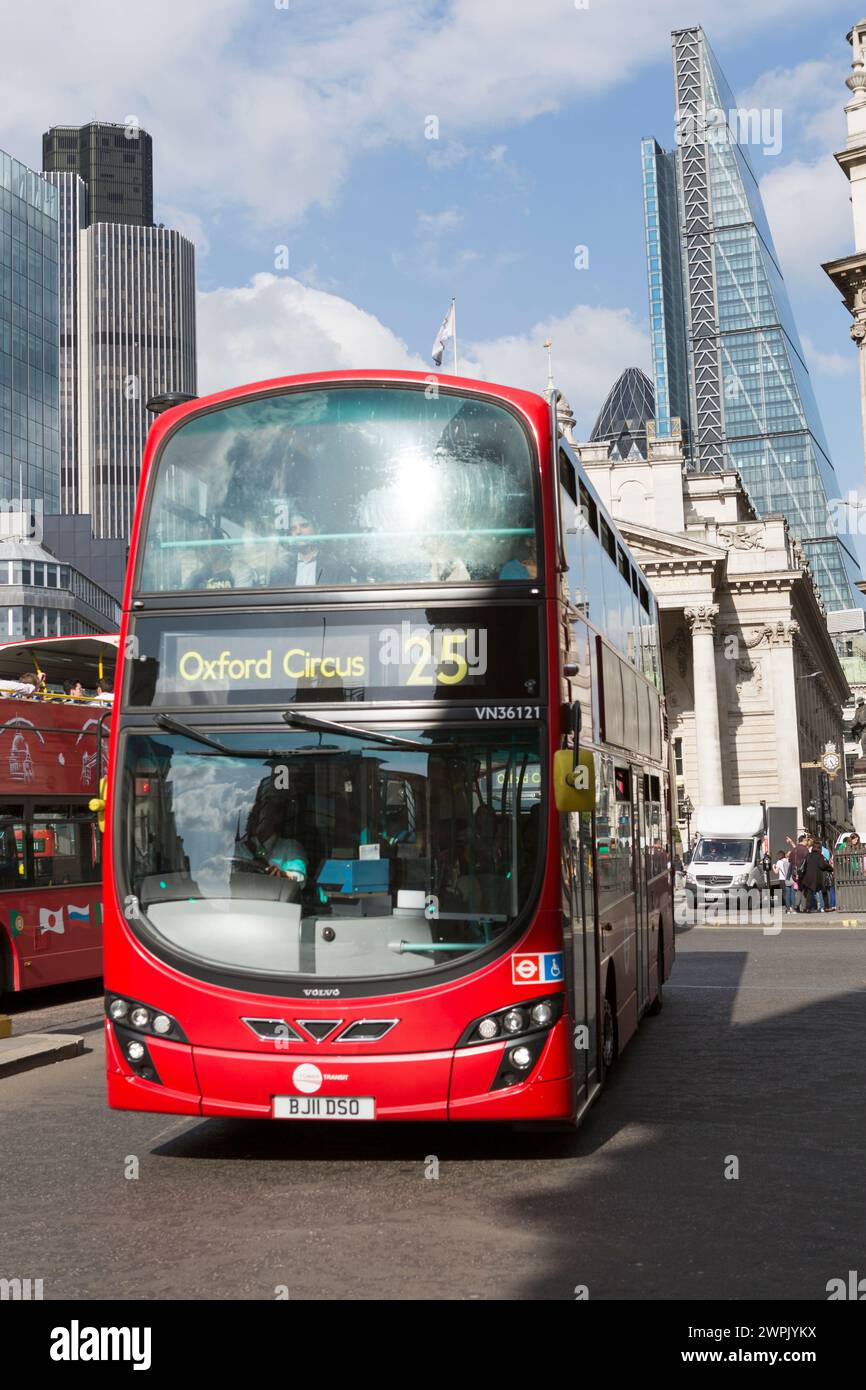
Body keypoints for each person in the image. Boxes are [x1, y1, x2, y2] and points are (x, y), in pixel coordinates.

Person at [798, 840, 825, 914]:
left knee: (809, 893)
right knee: (819, 891)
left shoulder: (808, 855)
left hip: (808, 876)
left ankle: (808, 908)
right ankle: (821, 907)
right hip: (817, 876)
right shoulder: (820, 856)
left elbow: (804, 865)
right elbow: (822, 865)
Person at [774, 847, 793, 913]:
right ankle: (791, 907)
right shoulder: (788, 860)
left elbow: (776, 872)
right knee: (790, 893)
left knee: (785, 895)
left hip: (782, 880)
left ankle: (788, 908)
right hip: (789, 879)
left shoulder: (779, 862)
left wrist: (773, 867)